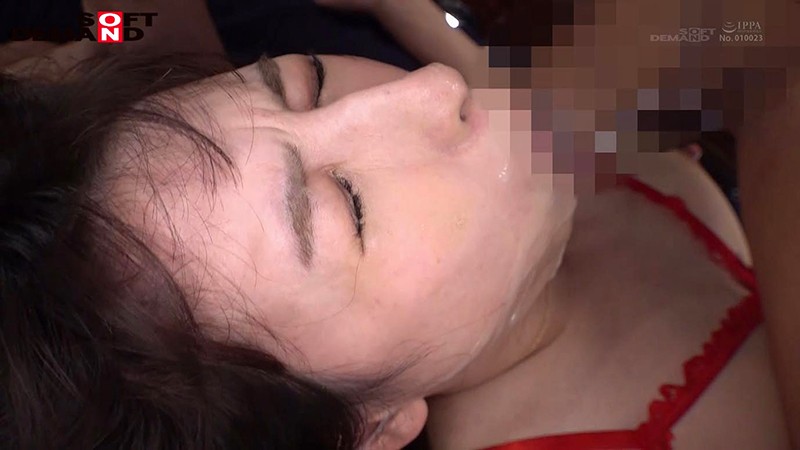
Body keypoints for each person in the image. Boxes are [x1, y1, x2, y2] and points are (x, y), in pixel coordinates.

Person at [1, 1, 797, 450]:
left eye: (308, 82)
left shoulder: (512, 193)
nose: (429, 91)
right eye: (350, 205)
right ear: (370, 425)